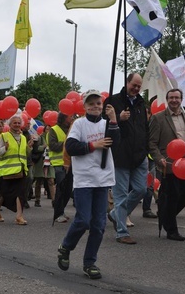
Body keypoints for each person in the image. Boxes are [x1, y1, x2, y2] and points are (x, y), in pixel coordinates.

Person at [57, 90, 120, 279]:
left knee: (99, 224)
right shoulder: (79, 124)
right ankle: (66, 247)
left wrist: (114, 119)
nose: (95, 107)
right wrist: (93, 145)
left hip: (103, 179)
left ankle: (90, 262)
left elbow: (116, 142)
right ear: (84, 107)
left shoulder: (107, 123)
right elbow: (71, 147)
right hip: (84, 179)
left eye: (98, 104)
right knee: (83, 220)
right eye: (91, 104)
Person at [104, 73, 148, 244]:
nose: (136, 89)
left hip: (139, 155)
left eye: (139, 86)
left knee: (141, 189)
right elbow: (102, 125)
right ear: (127, 82)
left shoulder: (141, 103)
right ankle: (122, 232)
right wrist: (118, 119)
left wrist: (145, 149)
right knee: (120, 195)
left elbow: (144, 128)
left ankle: (116, 214)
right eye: (134, 85)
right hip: (120, 155)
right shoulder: (112, 101)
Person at [149, 88, 185, 241]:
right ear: (167, 99)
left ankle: (165, 216)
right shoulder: (158, 118)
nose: (174, 100)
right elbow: (152, 143)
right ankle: (171, 230)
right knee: (172, 196)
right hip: (168, 163)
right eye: (171, 98)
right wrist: (159, 158)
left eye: (177, 97)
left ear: (181, 99)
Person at [0, 115, 33, 225]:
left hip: (21, 170)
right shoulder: (4, 136)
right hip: (8, 170)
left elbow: (24, 154)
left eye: (18, 123)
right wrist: (4, 148)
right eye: (14, 123)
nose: (16, 125)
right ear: (10, 124)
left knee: (20, 193)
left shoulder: (23, 138)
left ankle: (19, 216)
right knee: (4, 193)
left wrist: (29, 148)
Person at [48, 112, 72, 222]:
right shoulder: (54, 130)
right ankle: (58, 214)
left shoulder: (71, 128)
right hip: (59, 163)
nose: (71, 118)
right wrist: (67, 144)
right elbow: (52, 146)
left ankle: (61, 210)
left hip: (71, 164)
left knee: (68, 189)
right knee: (61, 188)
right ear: (63, 118)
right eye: (69, 116)